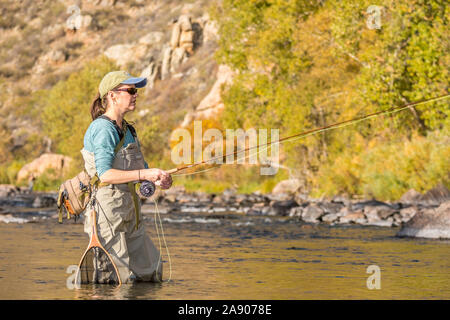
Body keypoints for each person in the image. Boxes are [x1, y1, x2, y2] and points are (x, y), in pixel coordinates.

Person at [81, 70, 172, 284]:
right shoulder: (103, 129)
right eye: (131, 90)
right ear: (112, 96)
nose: (136, 94)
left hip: (131, 212)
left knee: (151, 271)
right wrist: (145, 174)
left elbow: (141, 172)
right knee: (113, 280)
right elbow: (105, 174)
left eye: (136, 90)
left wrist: (157, 178)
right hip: (107, 214)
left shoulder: (129, 130)